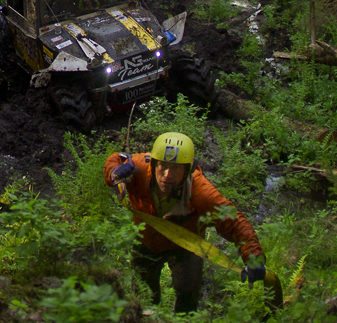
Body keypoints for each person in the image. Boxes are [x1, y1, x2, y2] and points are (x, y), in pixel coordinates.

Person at [104, 132, 265, 313]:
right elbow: (115, 158)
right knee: (143, 295)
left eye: (176, 169)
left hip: (187, 246)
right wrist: (114, 172)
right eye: (162, 166)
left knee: (187, 296)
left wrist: (253, 256)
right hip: (145, 240)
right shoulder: (139, 169)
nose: (167, 175)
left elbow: (234, 220)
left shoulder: (200, 191)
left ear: (187, 170)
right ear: (154, 163)